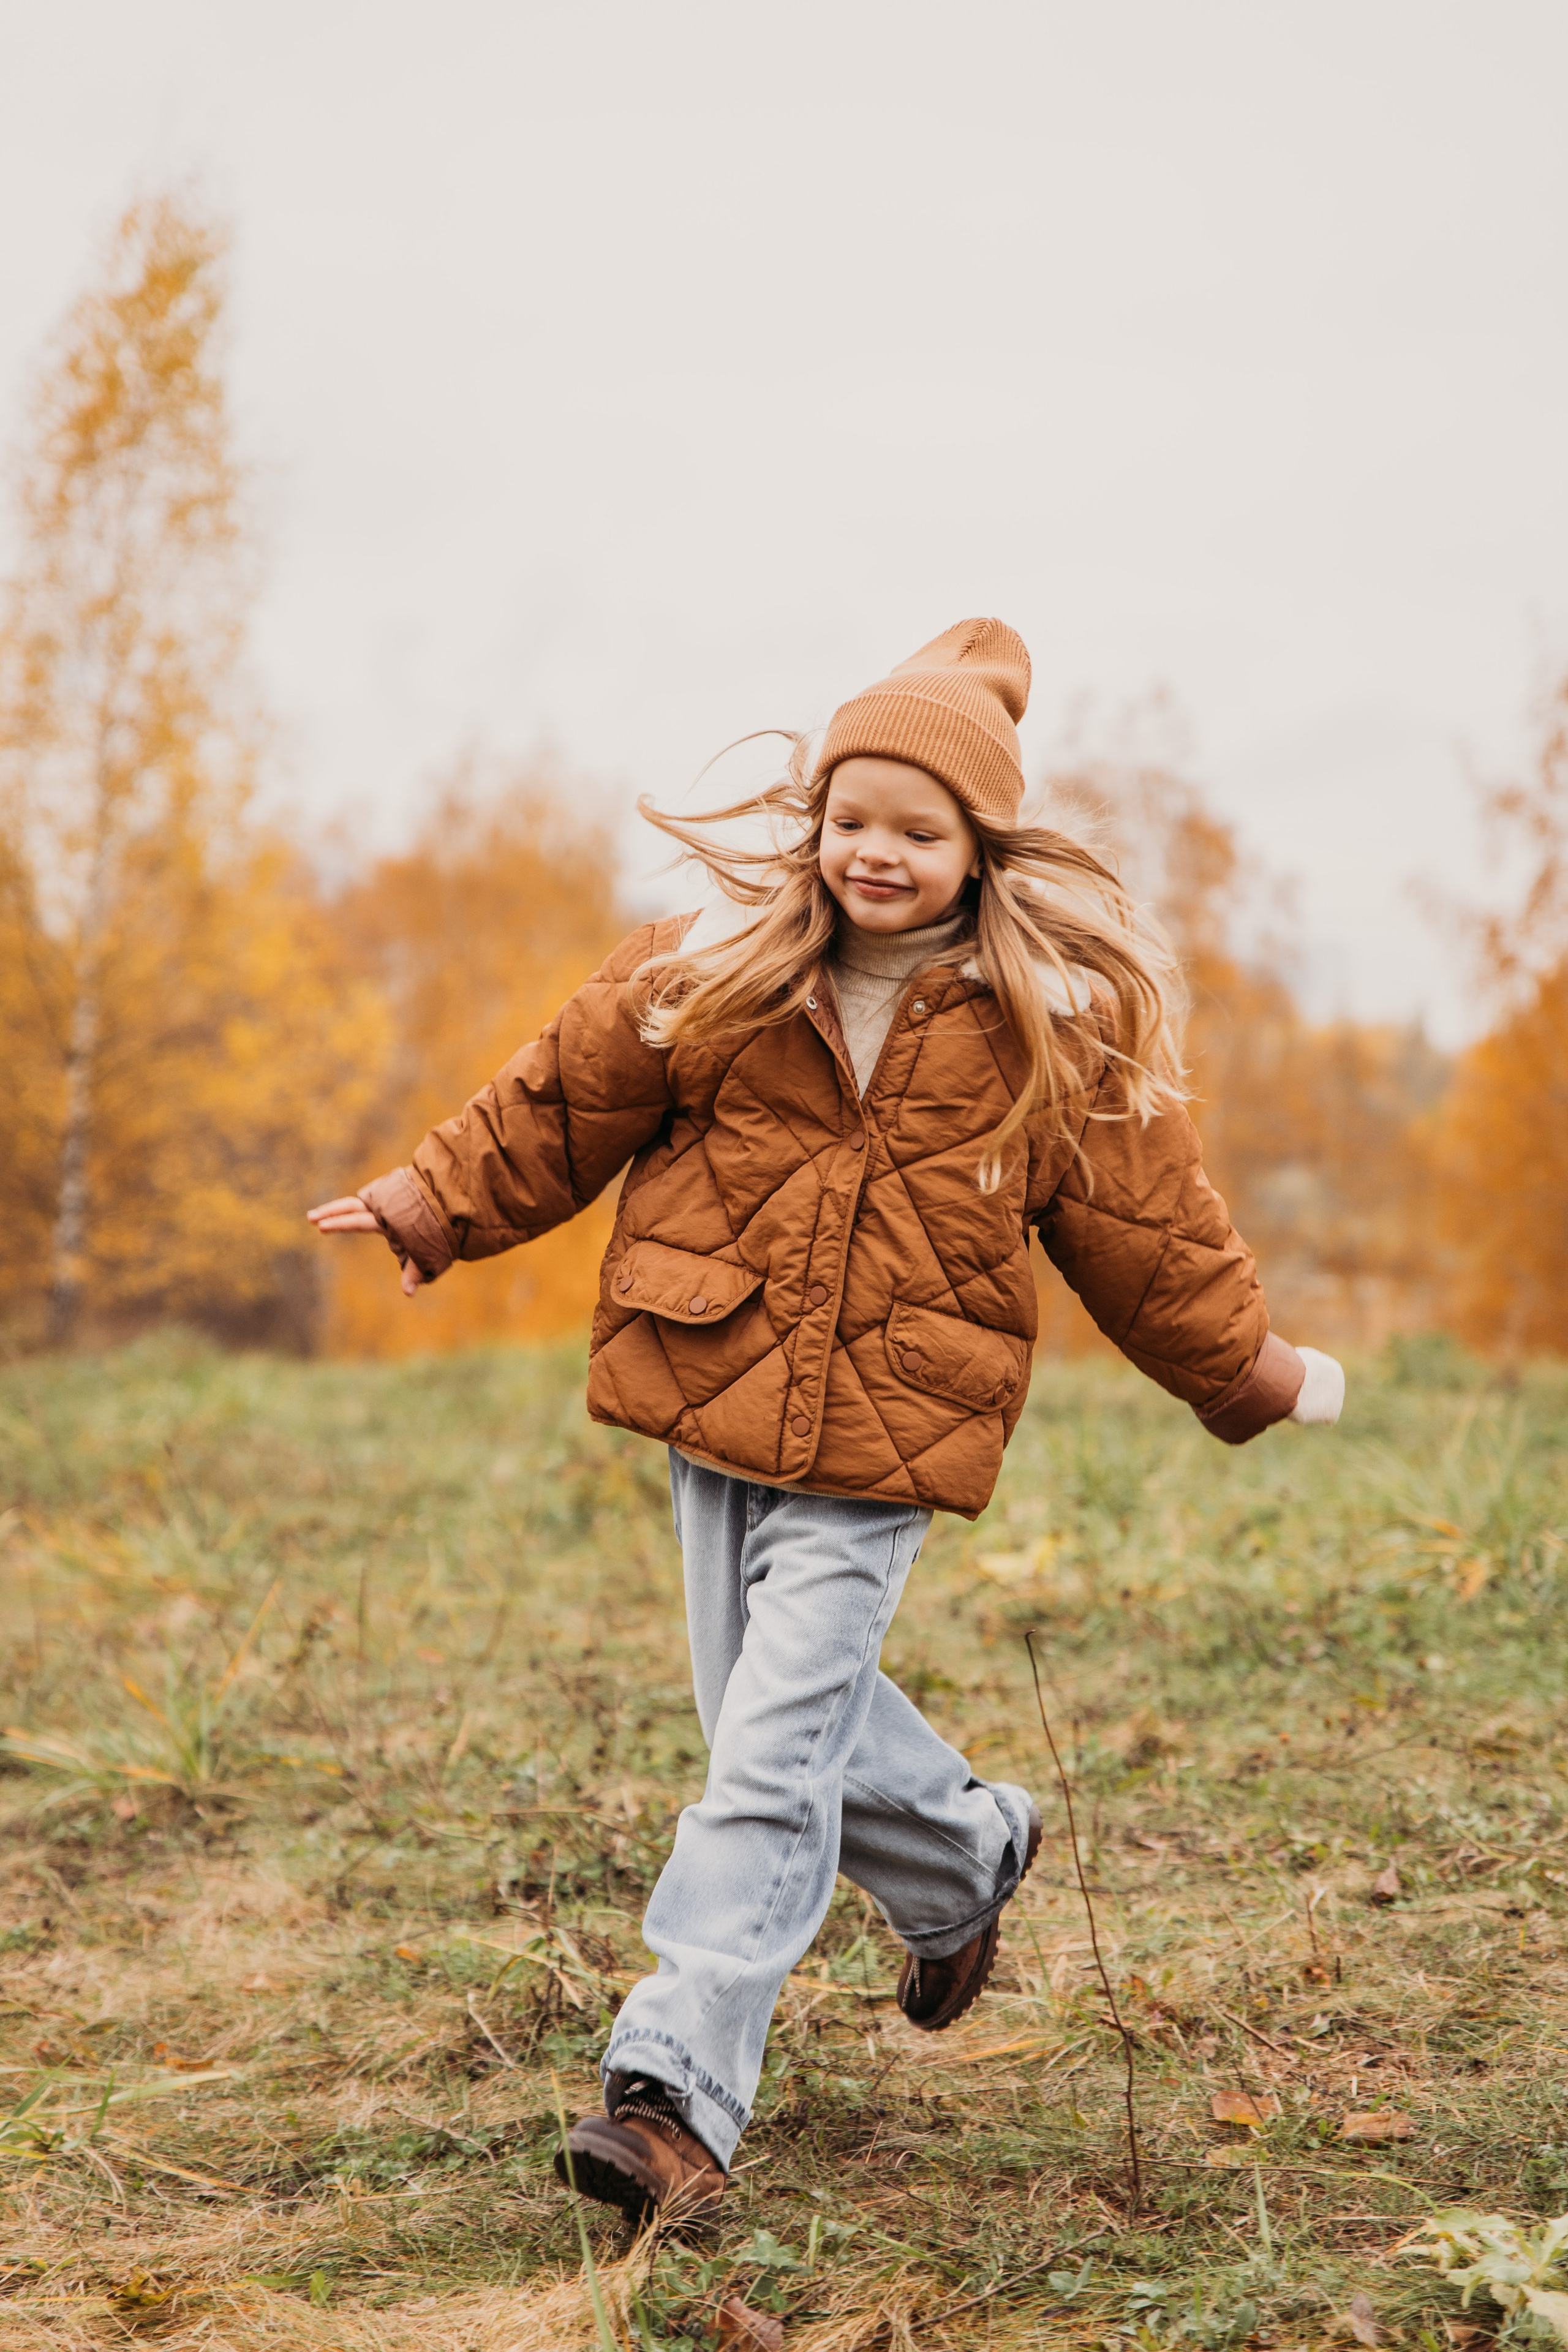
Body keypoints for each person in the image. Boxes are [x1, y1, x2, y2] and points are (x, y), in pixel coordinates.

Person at [309, 618, 1344, 2228]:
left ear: (978, 852)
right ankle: (959, 1859)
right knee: (771, 1732)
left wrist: (1246, 1368)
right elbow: (561, 1098)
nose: (877, 852)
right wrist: (429, 1202)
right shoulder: (716, 973)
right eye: (853, 818)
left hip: (890, 1443)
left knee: (769, 1765)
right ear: (818, 823)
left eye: (918, 830)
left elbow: (1154, 1235)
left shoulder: (1042, 1035)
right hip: (708, 1392)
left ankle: (673, 2088)